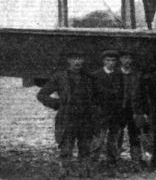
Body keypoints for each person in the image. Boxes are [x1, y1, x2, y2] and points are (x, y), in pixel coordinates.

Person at [37, 50, 95, 178]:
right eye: (74, 58)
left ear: (83, 61)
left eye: (80, 58)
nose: (77, 62)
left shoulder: (88, 77)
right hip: (67, 117)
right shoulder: (60, 76)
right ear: (68, 60)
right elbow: (42, 94)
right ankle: (65, 172)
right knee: (66, 146)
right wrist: (57, 104)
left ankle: (84, 172)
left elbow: (96, 97)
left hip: (85, 117)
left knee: (85, 147)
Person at [91, 49, 124, 173]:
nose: (111, 63)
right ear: (103, 61)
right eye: (108, 60)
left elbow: (122, 94)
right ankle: (93, 165)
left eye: (113, 60)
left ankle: (113, 165)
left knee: (114, 141)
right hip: (101, 114)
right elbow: (92, 96)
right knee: (98, 141)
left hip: (115, 114)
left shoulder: (119, 75)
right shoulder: (96, 75)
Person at [116, 50, 146, 171]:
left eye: (129, 58)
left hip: (134, 110)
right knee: (117, 135)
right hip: (119, 110)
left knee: (135, 136)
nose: (127, 61)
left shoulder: (137, 75)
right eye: (124, 58)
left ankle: (136, 162)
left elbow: (143, 94)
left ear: (132, 60)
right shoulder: (115, 74)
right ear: (120, 60)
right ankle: (116, 162)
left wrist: (143, 112)